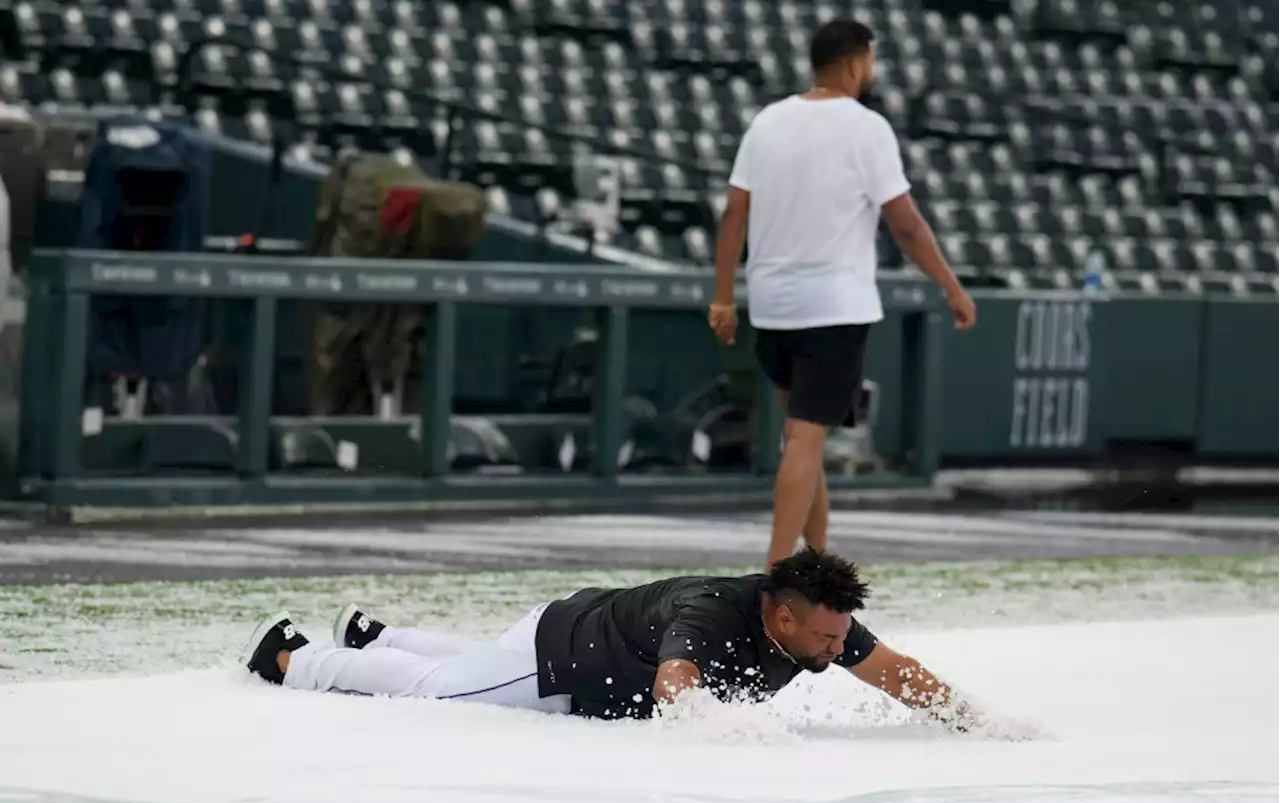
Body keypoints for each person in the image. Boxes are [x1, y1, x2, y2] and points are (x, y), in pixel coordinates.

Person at [707, 19, 978, 569]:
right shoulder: (866, 128)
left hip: (773, 306)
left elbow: (735, 209)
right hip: (833, 308)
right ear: (857, 63)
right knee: (805, 442)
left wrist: (722, 297)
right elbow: (905, 225)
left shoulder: (768, 121)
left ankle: (820, 562)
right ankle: (777, 575)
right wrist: (950, 286)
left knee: (803, 441)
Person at [242, 547, 975, 729]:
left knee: (468, 665)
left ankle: (375, 634)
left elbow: (893, 668)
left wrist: (970, 717)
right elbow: (674, 680)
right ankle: (290, 655)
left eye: (840, 634)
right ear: (783, 615)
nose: (836, 648)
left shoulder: (820, 626)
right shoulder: (716, 612)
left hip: (576, 629)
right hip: (563, 657)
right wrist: (723, 736)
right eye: (825, 635)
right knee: (441, 690)